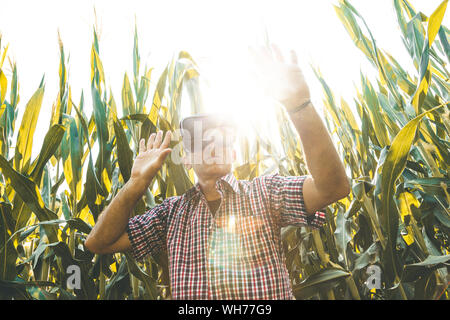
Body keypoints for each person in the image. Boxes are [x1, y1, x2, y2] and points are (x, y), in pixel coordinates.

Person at [85, 44, 350, 299]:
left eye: (221, 139)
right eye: (202, 141)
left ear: (233, 154)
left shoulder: (266, 192)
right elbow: (99, 243)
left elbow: (333, 187)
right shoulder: (170, 215)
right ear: (186, 160)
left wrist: (299, 106)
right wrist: (135, 184)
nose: (212, 145)